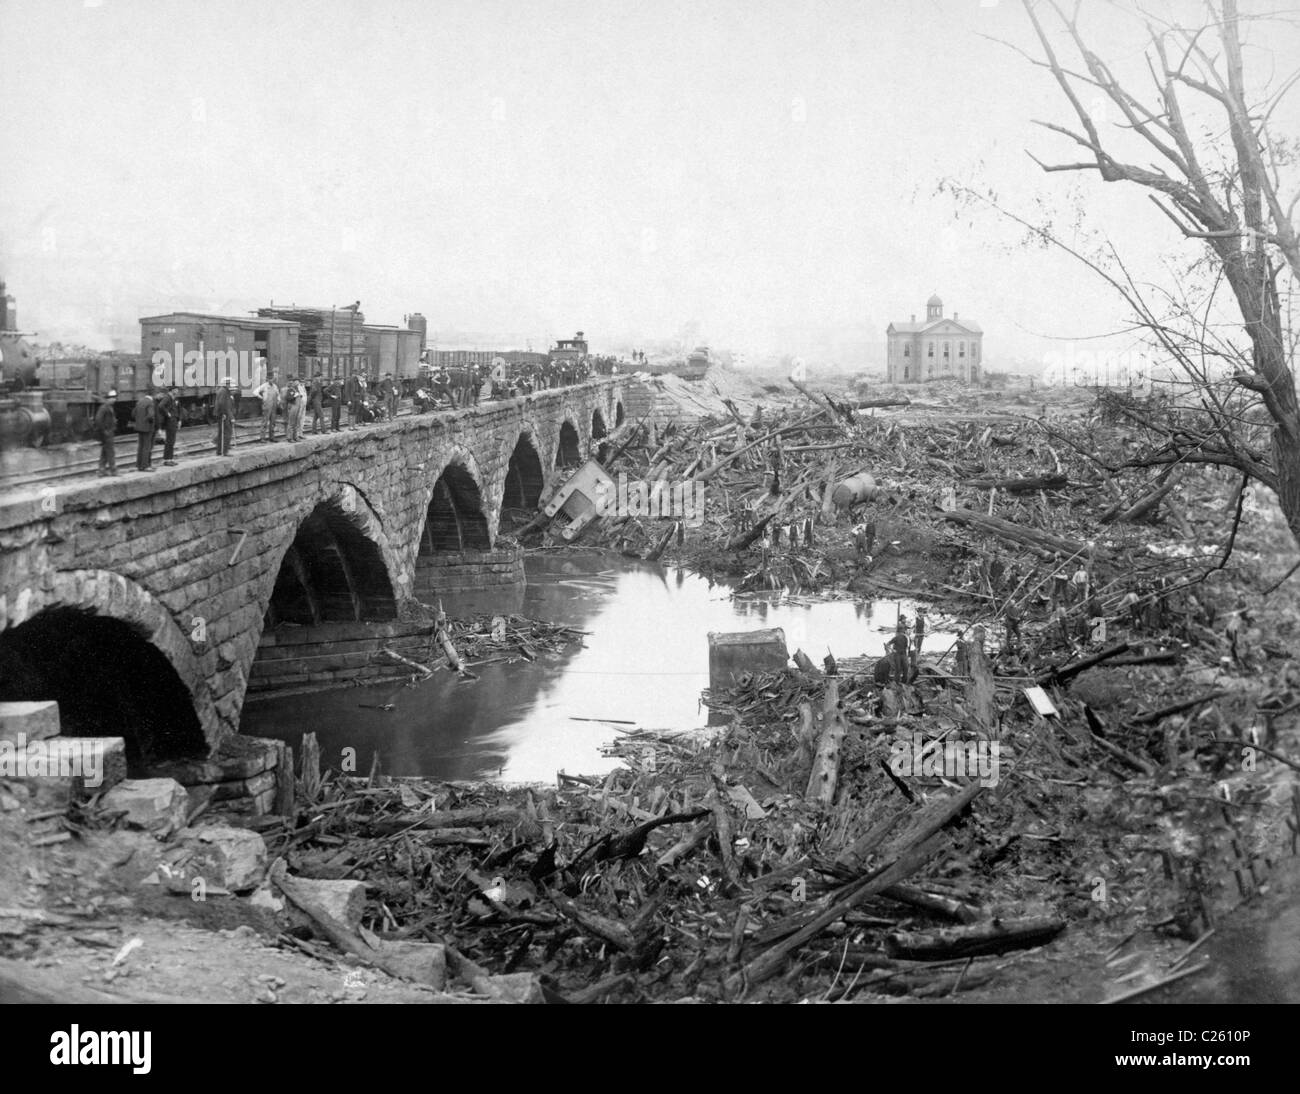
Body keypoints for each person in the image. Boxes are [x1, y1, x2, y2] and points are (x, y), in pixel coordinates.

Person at [132, 388, 156, 472]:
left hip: (139, 427)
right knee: (147, 447)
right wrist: (147, 421)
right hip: (147, 428)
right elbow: (151, 415)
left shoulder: (139, 401)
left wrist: (140, 421)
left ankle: (139, 465)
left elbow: (133, 414)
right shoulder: (150, 403)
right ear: (152, 395)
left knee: (140, 446)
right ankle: (145, 466)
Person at [96, 390, 118, 477]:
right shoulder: (104, 407)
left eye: (115, 398)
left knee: (105, 452)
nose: (114, 400)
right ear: (108, 399)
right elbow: (98, 420)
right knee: (110, 452)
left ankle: (101, 470)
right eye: (113, 398)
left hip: (109, 432)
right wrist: (104, 430)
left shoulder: (109, 407)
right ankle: (113, 470)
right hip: (107, 433)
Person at [156, 386, 180, 465]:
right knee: (169, 441)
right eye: (176, 389)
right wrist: (167, 414)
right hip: (170, 422)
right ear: (172, 390)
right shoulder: (167, 397)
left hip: (173, 421)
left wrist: (179, 420)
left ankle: (170, 458)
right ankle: (167, 460)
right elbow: (160, 406)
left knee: (172, 441)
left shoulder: (173, 398)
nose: (177, 391)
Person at [254, 373, 280, 442]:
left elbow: (278, 394)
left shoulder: (275, 386)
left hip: (274, 406)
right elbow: (255, 392)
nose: (271, 380)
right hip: (267, 406)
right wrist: (262, 398)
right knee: (265, 421)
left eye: (272, 378)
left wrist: (278, 400)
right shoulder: (264, 386)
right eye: (269, 378)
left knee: (273, 422)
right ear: (267, 379)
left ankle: (272, 437)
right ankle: (262, 438)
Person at [214, 377, 235, 455]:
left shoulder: (223, 390)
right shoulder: (224, 391)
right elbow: (222, 404)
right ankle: (225, 451)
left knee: (221, 433)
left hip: (223, 414)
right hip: (224, 414)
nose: (230, 385)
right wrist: (224, 414)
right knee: (227, 432)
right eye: (229, 383)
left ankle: (219, 451)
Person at [284, 376, 304, 441]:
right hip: (293, 406)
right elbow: (288, 398)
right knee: (291, 422)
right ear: (294, 382)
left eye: (298, 381)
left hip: (297, 407)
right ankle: (289, 437)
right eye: (297, 381)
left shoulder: (297, 389)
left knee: (296, 422)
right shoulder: (290, 389)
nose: (298, 382)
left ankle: (295, 437)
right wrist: (294, 396)